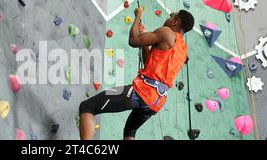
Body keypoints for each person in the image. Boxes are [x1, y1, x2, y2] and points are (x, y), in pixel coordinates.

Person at [79, 7, 195, 140]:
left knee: (87, 107)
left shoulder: (167, 33)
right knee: (130, 131)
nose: (168, 17)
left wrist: (137, 16)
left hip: (142, 92)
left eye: (171, 16)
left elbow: (133, 40)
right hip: (156, 102)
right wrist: (145, 44)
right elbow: (150, 67)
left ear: (175, 21)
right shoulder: (182, 49)